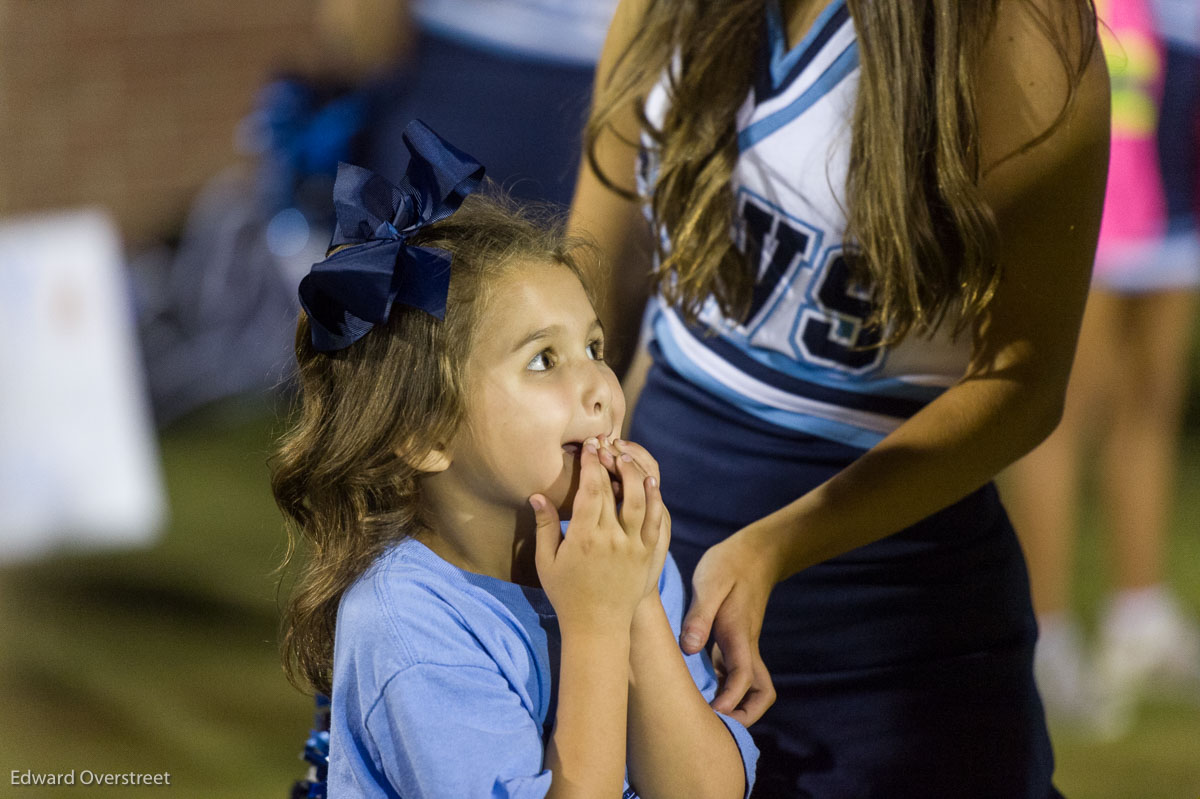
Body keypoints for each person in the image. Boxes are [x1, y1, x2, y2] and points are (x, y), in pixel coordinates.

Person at [569, 0, 1110, 795]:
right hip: (651, 583)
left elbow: (1024, 384)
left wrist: (777, 545)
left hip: (896, 638)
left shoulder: (1020, 30)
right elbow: (591, 279)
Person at [272, 120, 758, 798]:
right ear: (424, 432)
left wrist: (637, 599)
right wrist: (593, 624)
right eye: (543, 360)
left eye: (594, 346)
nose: (598, 385)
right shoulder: (408, 624)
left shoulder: (619, 555)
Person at [1004, 0, 1200, 735]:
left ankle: (1140, 615)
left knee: (1151, 393)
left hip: (1178, 114)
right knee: (1062, 407)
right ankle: (1043, 638)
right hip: (1110, 69)